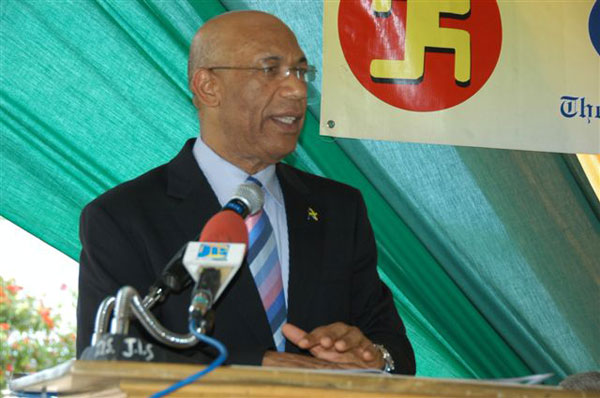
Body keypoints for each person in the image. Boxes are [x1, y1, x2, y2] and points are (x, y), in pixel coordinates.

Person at [76, 10, 415, 374]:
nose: (297, 89)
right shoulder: (123, 216)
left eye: (300, 72)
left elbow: (395, 349)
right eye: (270, 70)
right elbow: (107, 358)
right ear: (209, 86)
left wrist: (370, 355)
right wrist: (258, 365)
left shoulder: (338, 208)